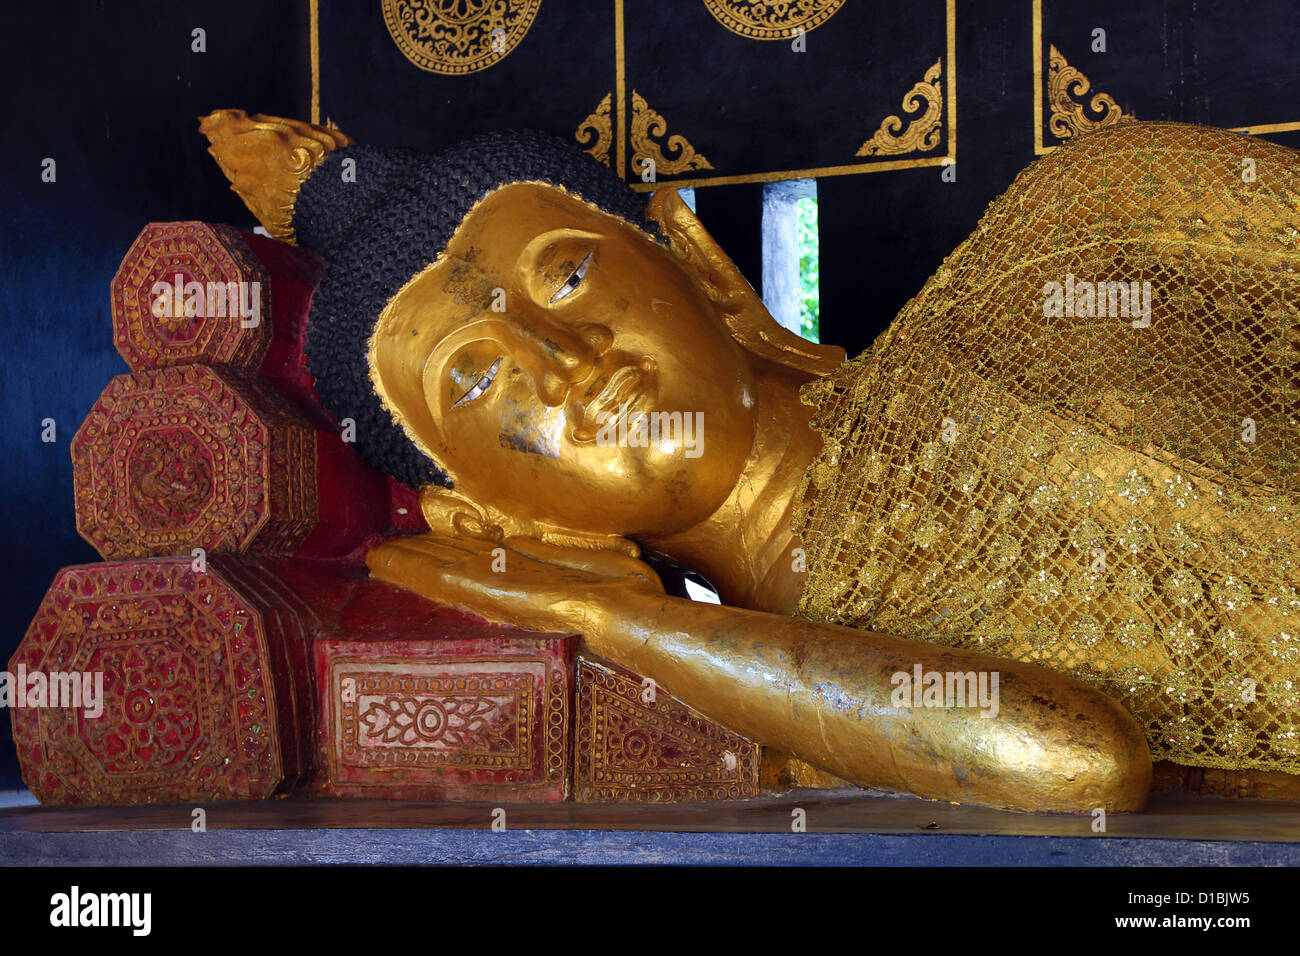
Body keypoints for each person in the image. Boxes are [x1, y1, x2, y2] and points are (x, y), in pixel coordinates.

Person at [202, 110, 1297, 811]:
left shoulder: (1067, 242)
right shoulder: (809, 691)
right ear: (493, 515)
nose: (569, 361)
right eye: (478, 379)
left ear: (701, 268)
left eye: (568, 275)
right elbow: (1075, 760)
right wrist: (609, 620)